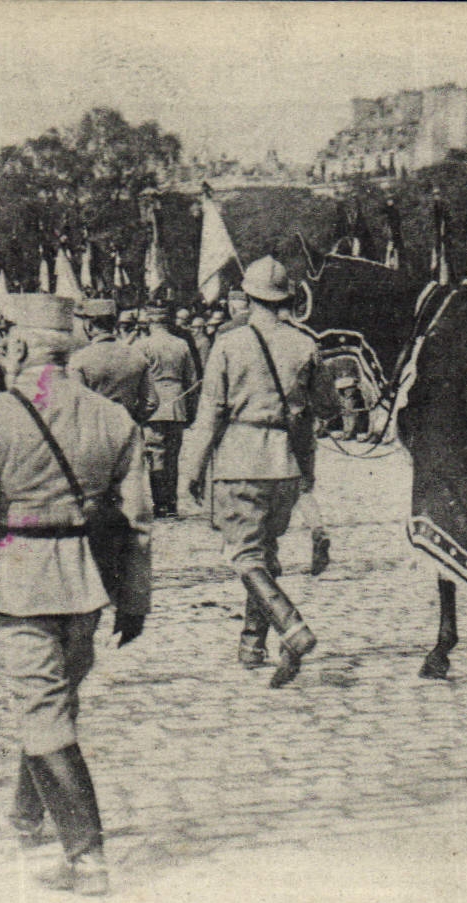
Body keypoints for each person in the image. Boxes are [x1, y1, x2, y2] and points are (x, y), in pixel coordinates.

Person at [0, 293, 151, 896]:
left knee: (45, 712)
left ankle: (86, 859)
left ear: (18, 345)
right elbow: (137, 521)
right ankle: (26, 815)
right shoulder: (116, 420)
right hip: (86, 587)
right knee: (55, 703)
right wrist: (134, 602)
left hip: (16, 585)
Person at [181, 256, 326, 687]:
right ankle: (251, 643)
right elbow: (327, 408)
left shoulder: (229, 343)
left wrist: (191, 469)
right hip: (285, 465)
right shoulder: (305, 344)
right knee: (265, 554)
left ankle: (291, 626)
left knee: (245, 556)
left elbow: (209, 415)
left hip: (239, 461)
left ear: (247, 297)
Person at [134, 305, 197, 517]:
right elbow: (192, 380)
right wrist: (190, 409)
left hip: (153, 404)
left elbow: (138, 377)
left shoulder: (143, 345)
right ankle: (172, 503)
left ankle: (160, 503)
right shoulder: (182, 344)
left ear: (151, 323)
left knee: (155, 455)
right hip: (177, 404)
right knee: (173, 456)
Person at [68, 298, 157, 425]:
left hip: (94, 431)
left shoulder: (79, 358)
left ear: (88, 325)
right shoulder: (137, 356)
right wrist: (131, 421)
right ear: (115, 324)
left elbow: (75, 402)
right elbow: (151, 402)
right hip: (127, 429)